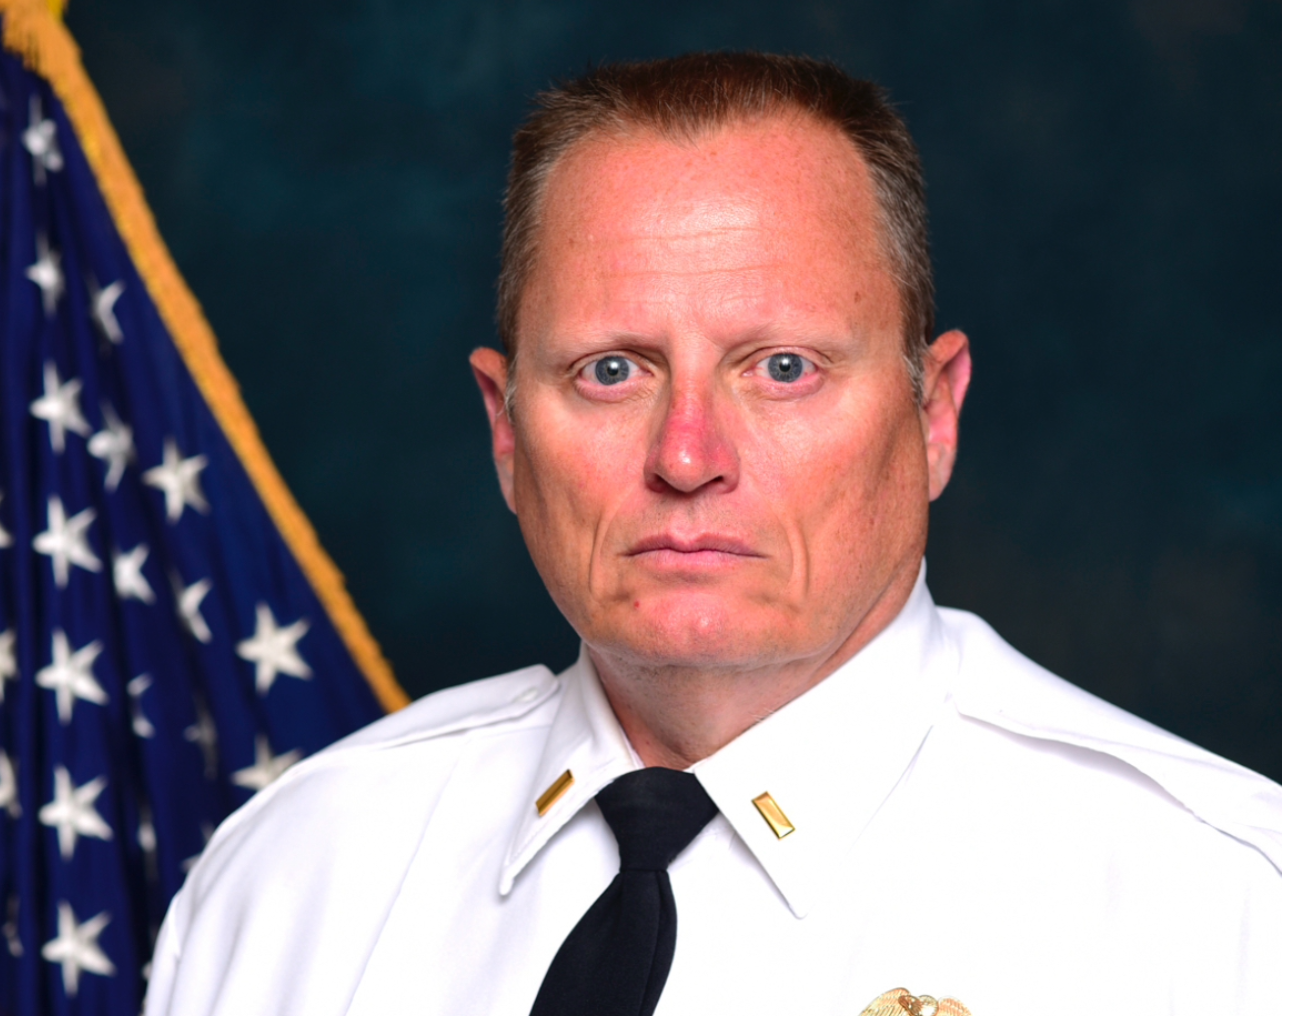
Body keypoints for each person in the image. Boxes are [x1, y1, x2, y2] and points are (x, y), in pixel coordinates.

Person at [144, 53, 1279, 1016]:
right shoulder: (292, 880)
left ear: (932, 413)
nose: (686, 456)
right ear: (503, 429)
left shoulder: (1225, 909)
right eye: (611, 370)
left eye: (782, 368)